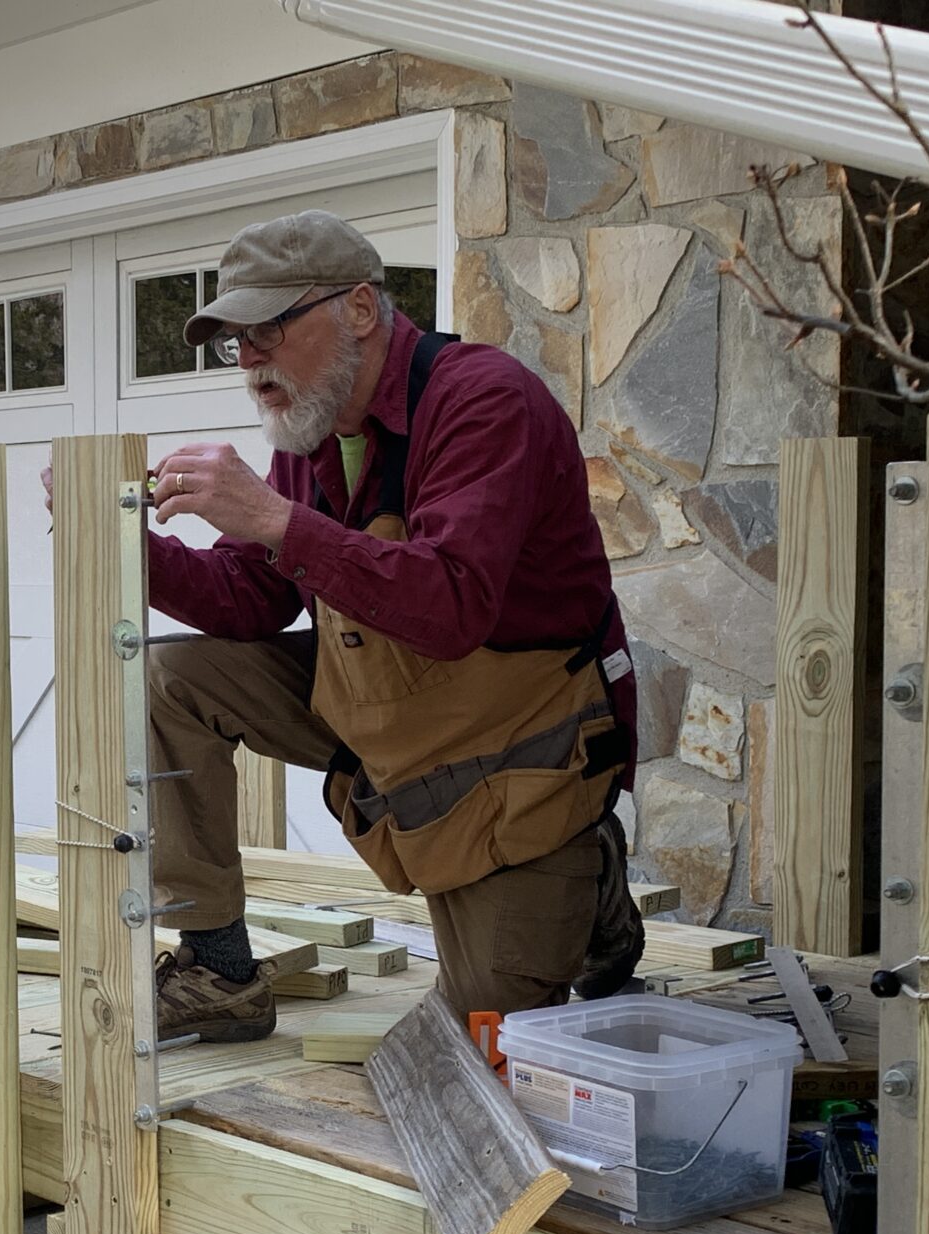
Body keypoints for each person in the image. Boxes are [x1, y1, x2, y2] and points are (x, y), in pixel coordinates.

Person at [52, 210, 643, 1043]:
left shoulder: (485, 401)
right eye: (236, 344)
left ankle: (589, 884)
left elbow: (449, 606)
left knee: (485, 1043)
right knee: (170, 679)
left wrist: (275, 517)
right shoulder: (315, 425)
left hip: (515, 739)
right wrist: (123, 546)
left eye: (267, 332)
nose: (250, 365)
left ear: (359, 309)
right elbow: (253, 600)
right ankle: (219, 968)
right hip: (383, 701)